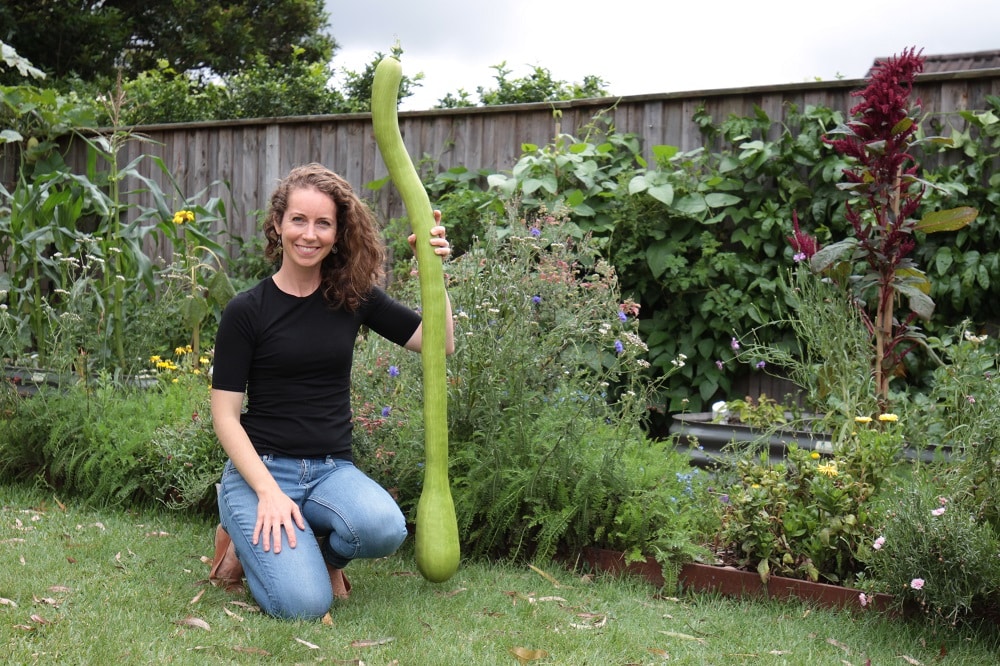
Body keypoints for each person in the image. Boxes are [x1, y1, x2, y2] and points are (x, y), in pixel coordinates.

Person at [207, 163, 454, 620]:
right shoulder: (246, 311)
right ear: (277, 224)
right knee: (305, 605)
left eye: (324, 223)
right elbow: (224, 416)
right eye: (298, 219)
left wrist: (431, 267)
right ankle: (238, 536)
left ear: (338, 234)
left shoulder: (352, 297)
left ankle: (324, 554)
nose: (309, 234)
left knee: (384, 528)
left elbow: (439, 342)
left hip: (329, 473)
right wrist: (267, 492)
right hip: (262, 472)